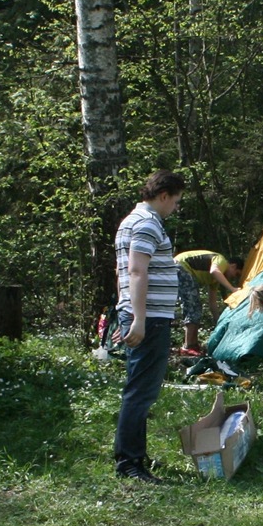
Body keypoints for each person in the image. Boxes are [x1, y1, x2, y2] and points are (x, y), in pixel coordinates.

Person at [112, 170, 186, 483]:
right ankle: (129, 462)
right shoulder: (145, 223)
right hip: (150, 318)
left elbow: (123, 273)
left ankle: (134, 454)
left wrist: (123, 311)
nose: (176, 208)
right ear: (164, 195)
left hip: (144, 314)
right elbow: (137, 271)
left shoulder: (133, 221)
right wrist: (138, 318)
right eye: (176, 201)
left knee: (141, 389)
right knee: (141, 391)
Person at [174, 249, 242, 355]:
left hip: (182, 268)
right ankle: (187, 347)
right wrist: (232, 289)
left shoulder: (215, 279)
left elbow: (212, 302)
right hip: (181, 266)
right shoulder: (222, 261)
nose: (234, 277)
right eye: (236, 274)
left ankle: (193, 344)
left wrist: (218, 322)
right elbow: (214, 271)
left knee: (196, 307)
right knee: (193, 307)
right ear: (233, 266)